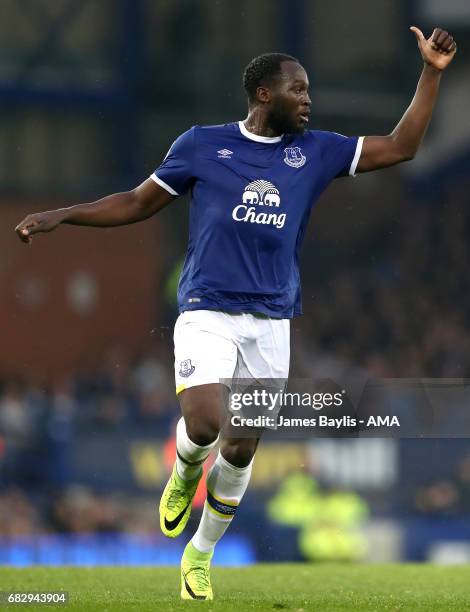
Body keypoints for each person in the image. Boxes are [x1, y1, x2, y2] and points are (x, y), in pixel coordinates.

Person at [15, 26, 456, 600]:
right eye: (298, 89)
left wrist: (432, 72)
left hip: (271, 321)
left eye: (309, 90)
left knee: (243, 447)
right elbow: (136, 202)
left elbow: (401, 146)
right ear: (264, 94)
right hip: (207, 310)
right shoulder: (202, 145)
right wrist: (63, 214)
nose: (308, 99)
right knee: (203, 423)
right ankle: (184, 473)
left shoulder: (315, 151)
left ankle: (199, 555)